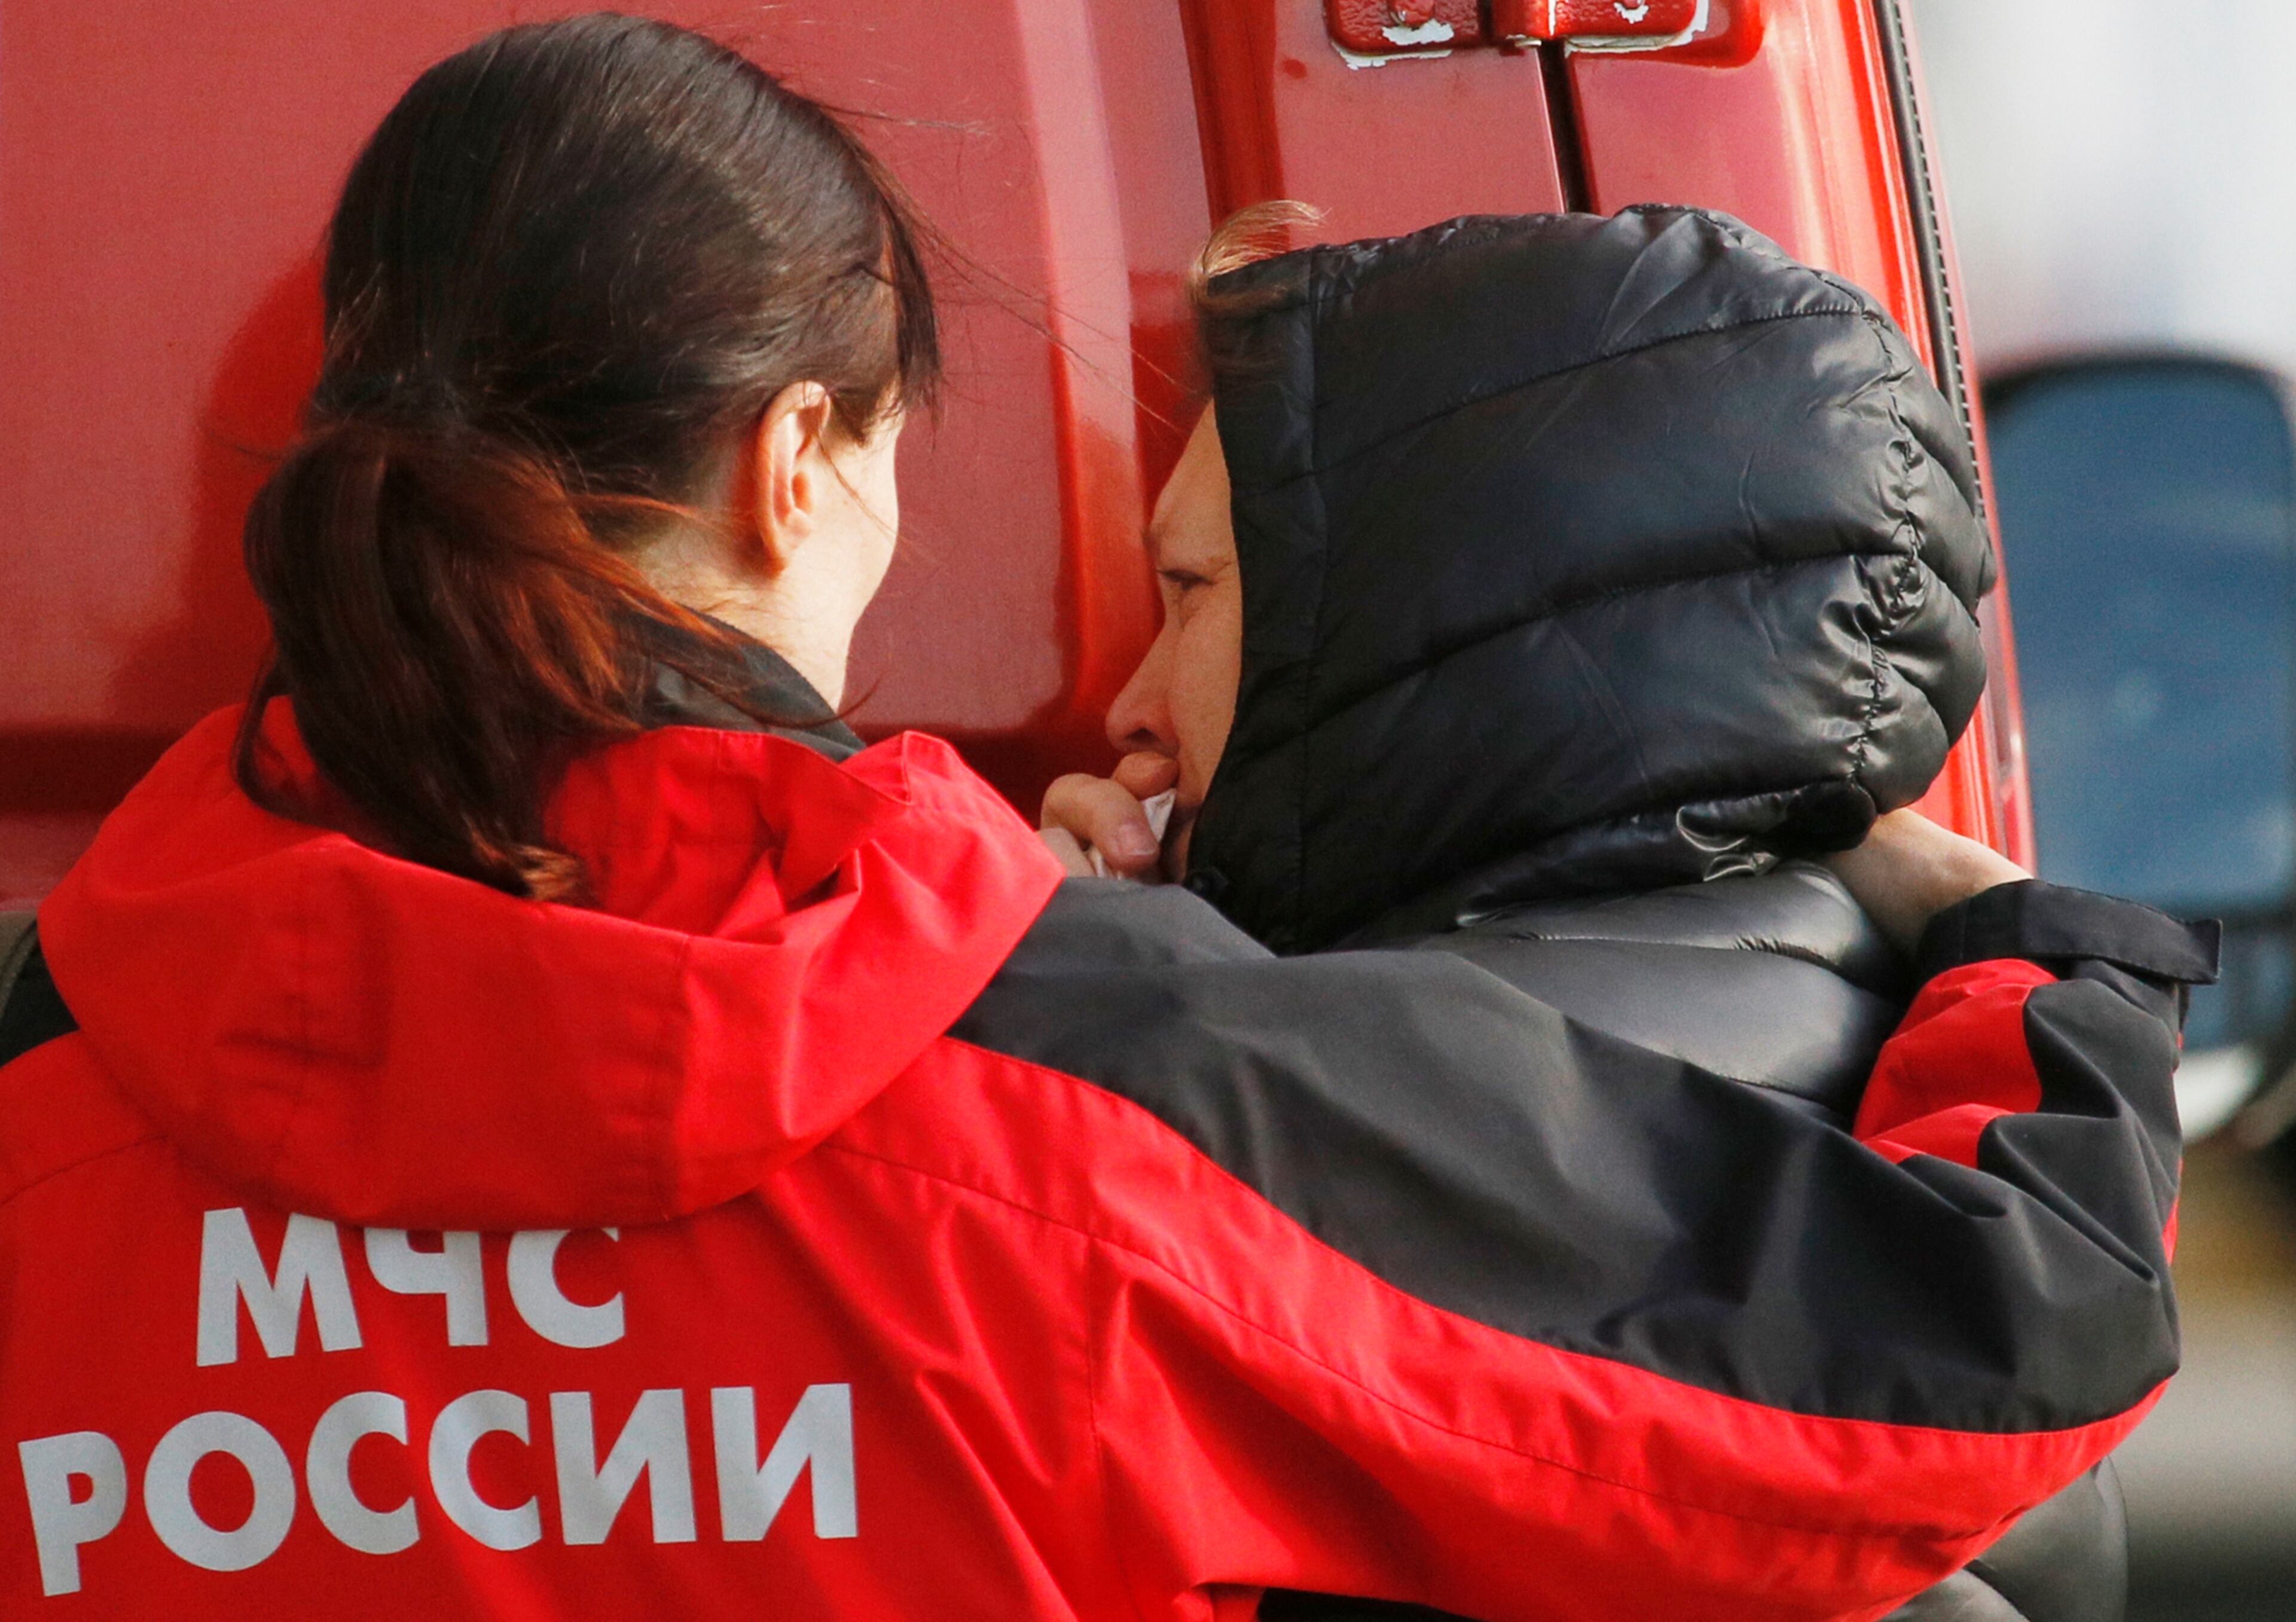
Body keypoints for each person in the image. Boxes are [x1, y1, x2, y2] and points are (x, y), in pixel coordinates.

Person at [0, 22, 2206, 1621]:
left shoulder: (40, 1077)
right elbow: (1969, 1351)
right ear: (796, 465)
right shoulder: (1105, 1087)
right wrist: (2032, 951)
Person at [1036, 207, 2191, 1622]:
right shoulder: (1898, 1060)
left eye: (1194, 592)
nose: (1129, 707)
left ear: (1429, 620)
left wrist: (1060, 1010)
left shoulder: (1336, 1111)